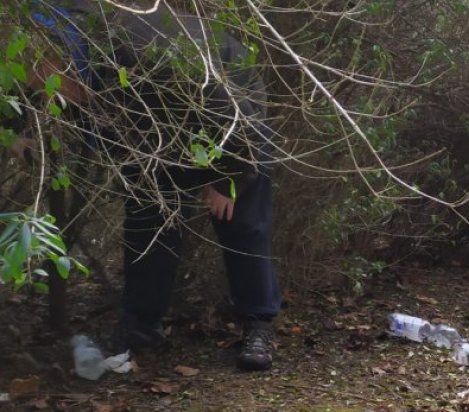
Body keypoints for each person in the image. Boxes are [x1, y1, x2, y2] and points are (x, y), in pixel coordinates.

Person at [27, 2, 280, 371]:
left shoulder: (140, 53)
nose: (41, 92)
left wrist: (229, 177)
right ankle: (141, 327)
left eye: (43, 78)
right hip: (152, 139)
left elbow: (230, 111)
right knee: (149, 223)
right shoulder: (68, 54)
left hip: (231, 115)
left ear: (61, 58)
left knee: (241, 223)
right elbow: (30, 96)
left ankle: (258, 323)